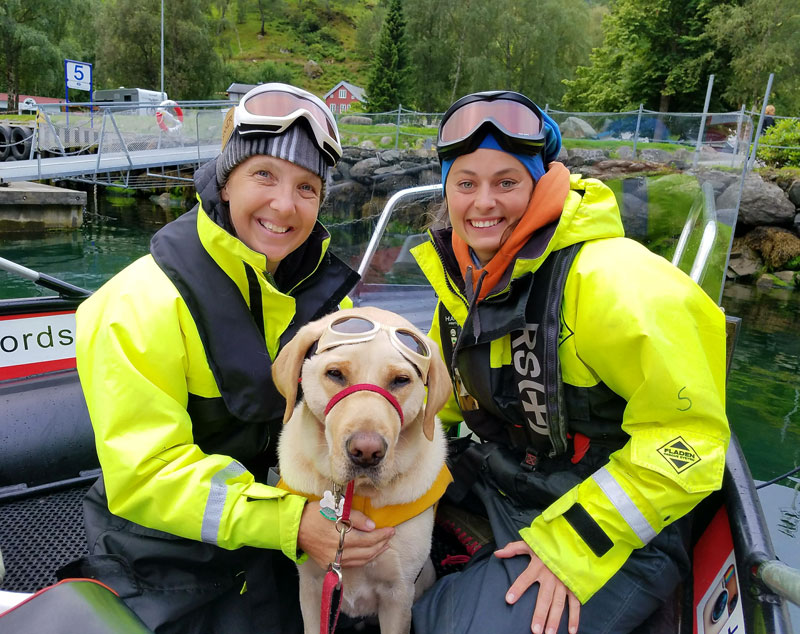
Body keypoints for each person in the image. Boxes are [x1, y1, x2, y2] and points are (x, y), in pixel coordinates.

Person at [69, 83, 395, 634]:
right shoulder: (134, 305)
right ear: (226, 180)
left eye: (307, 187)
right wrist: (291, 524)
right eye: (263, 175)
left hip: (273, 541)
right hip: (162, 557)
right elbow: (148, 475)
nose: (285, 205)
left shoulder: (327, 301)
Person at [410, 91, 730, 634]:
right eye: (466, 183)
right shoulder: (467, 278)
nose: (482, 202)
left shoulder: (621, 284)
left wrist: (571, 546)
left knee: (444, 623)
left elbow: (691, 445)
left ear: (541, 183)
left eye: (506, 182)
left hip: (618, 530)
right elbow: (442, 399)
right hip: (505, 481)